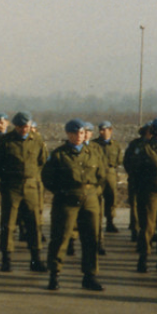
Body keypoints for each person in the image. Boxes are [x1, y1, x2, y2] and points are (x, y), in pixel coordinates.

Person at [44, 120, 106, 291]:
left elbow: (101, 175)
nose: (79, 137)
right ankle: (54, 275)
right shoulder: (58, 155)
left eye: (82, 133)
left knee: (91, 238)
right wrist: (64, 192)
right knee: (61, 237)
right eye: (75, 133)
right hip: (67, 199)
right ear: (68, 134)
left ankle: (89, 276)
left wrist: (93, 192)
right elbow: (48, 178)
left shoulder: (94, 151)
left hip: (90, 199)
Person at [0, 113, 48, 273]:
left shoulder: (37, 140)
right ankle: (6, 259)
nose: (24, 129)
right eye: (20, 127)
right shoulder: (5, 141)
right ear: (15, 126)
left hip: (31, 186)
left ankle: (36, 259)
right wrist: (7, 181)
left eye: (26, 126)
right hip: (12, 187)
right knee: (8, 225)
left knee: (34, 224)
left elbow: (42, 161)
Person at [124, 117, 157, 274]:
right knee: (147, 225)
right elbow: (134, 169)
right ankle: (144, 258)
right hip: (149, 189)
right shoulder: (145, 148)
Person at [95, 121, 123, 234]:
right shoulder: (94, 144)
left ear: (110, 130)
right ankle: (97, 222)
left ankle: (110, 222)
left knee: (111, 197)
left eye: (104, 129)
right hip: (97, 173)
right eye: (100, 129)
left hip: (110, 172)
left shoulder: (115, 145)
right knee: (97, 198)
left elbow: (119, 159)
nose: (102, 132)